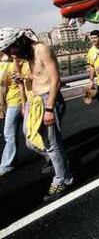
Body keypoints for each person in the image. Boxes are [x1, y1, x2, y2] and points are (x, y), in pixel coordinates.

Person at [0, 27, 72, 200]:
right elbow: (39, 76)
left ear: (19, 41)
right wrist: (25, 79)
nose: (11, 54)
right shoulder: (28, 54)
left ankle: (63, 178)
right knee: (31, 140)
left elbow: (55, 80)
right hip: (36, 101)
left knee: (52, 143)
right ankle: (60, 161)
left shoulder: (41, 49)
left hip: (49, 100)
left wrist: (49, 108)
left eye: (11, 49)